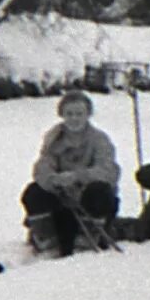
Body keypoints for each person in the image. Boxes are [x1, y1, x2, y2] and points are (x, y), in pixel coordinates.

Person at [22, 90, 120, 256]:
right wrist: (53, 180)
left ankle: (89, 237)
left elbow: (108, 170)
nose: (74, 118)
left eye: (79, 114)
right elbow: (43, 165)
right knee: (33, 192)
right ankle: (46, 237)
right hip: (62, 197)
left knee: (99, 191)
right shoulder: (53, 138)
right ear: (62, 114)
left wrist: (77, 177)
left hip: (88, 199)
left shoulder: (100, 140)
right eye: (69, 114)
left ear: (88, 114)